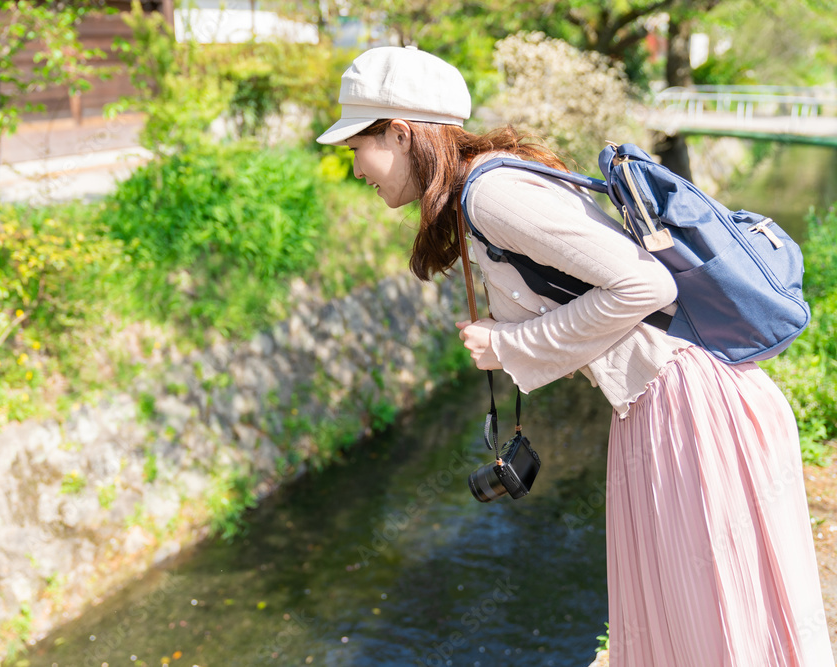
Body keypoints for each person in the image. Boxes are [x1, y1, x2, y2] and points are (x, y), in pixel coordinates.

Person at [318, 45, 835, 667]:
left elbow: (648, 287)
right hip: (662, 401)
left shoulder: (491, 196)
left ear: (400, 134)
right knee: (696, 617)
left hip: (687, 405)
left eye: (356, 148)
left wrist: (508, 345)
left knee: (715, 622)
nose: (355, 169)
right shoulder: (483, 187)